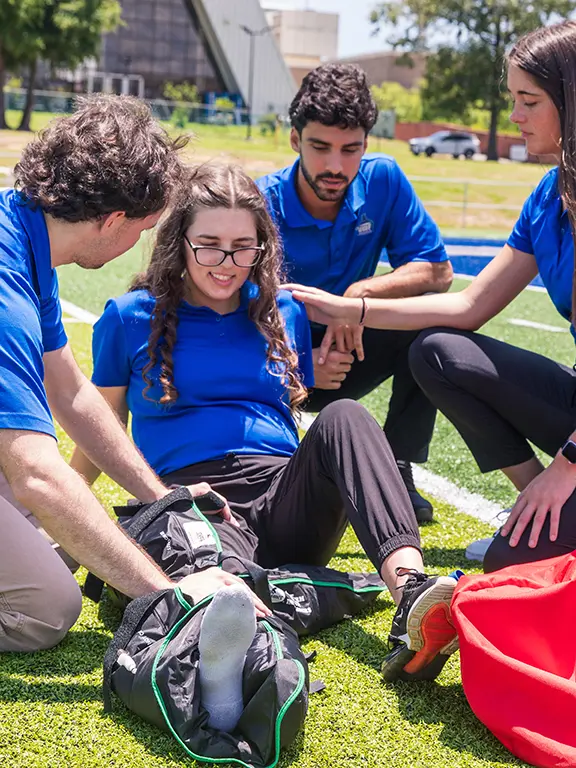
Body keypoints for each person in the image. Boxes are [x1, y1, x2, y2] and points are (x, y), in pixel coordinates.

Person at [71, 162, 462, 684]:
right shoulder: (128, 317)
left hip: (284, 498)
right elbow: (101, 425)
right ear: (179, 242)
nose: (227, 263)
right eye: (209, 244)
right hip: (195, 509)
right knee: (211, 580)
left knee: (345, 414)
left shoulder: (282, 310)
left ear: (263, 248)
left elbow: (290, 408)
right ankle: (277, 611)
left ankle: (409, 592)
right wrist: (65, 518)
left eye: (243, 246)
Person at [286, 20, 576, 578]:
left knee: (512, 562)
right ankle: (530, 495)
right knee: (438, 350)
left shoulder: (385, 180)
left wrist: (566, 467)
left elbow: (437, 272)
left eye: (528, 100)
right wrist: (357, 309)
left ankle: (551, 499)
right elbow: (469, 306)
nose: (514, 115)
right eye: (512, 99)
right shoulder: (548, 194)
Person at [0, 96, 270, 654]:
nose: (139, 247)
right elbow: (36, 472)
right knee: (47, 606)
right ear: (112, 220)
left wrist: (162, 498)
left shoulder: (28, 236)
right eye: (144, 230)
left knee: (48, 520)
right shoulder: (7, 288)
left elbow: (72, 393)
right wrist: (171, 595)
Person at [256, 63, 454, 524]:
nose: (335, 165)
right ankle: (267, 463)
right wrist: (300, 363)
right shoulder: (260, 201)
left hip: (352, 345)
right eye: (320, 147)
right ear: (294, 140)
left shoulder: (383, 178)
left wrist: (358, 297)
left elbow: (438, 272)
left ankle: (399, 465)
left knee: (434, 322)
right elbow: (234, 308)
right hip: (274, 361)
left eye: (351, 150)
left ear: (367, 144)